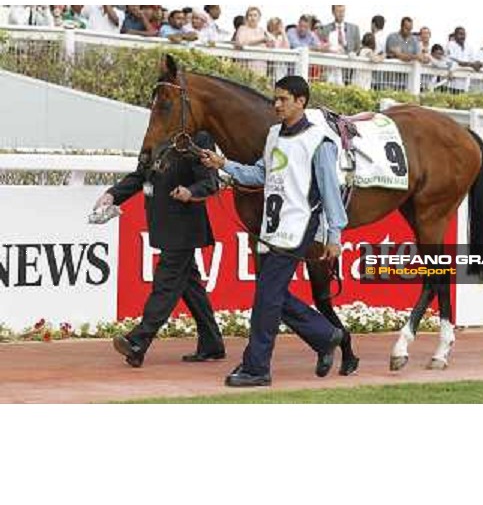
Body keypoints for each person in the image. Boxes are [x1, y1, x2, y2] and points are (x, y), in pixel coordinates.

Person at [200, 75, 346, 387]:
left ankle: (257, 368)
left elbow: (331, 192)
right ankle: (325, 335)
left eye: (283, 99)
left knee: (266, 298)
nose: (276, 105)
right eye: (275, 99)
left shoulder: (320, 142)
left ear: (300, 101)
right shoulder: (273, 135)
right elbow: (259, 174)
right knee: (272, 294)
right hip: (272, 226)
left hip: (299, 225)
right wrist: (223, 164)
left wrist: (335, 235)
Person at [94, 132, 225, 367]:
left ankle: (138, 341)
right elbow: (140, 176)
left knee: (166, 284)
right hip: (162, 224)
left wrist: (190, 192)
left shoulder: (199, 137)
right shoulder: (155, 136)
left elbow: (210, 181)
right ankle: (212, 343)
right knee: (189, 285)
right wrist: (112, 195)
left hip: (185, 227)